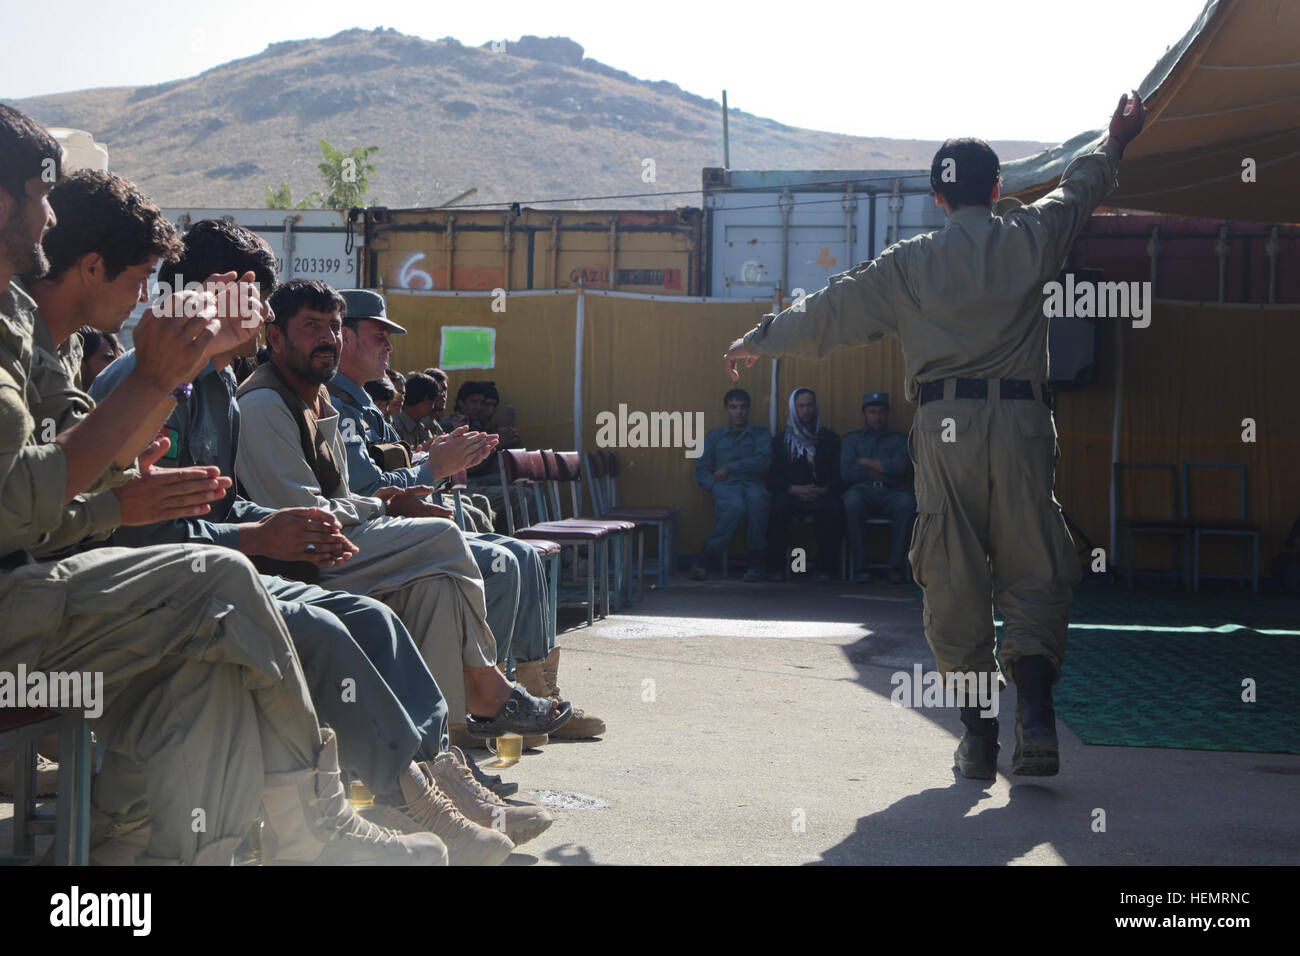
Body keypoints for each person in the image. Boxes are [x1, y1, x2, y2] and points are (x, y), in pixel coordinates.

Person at [0, 103, 443, 866]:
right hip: (18, 603)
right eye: (39, 196)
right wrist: (155, 379)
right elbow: (22, 503)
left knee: (205, 677)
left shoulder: (20, 320)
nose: (49, 218)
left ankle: (154, 857)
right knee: (220, 584)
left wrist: (173, 388)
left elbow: (67, 483)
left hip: (36, 592)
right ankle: (314, 816)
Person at [84, 211, 547, 858]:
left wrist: (262, 527)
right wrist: (260, 536)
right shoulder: (153, 386)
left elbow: (218, 507)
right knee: (336, 625)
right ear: (217, 293)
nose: (261, 322)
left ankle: (435, 783)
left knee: (374, 618)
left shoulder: (214, 383)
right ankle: (372, 808)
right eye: (261, 306)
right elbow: (138, 529)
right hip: (164, 588)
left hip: (224, 565)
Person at [725, 91, 1147, 779]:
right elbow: (1080, 187)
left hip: (944, 428)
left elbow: (829, 311)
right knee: (1033, 563)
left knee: (951, 568)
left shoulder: (907, 263)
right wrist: (1116, 138)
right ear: (999, 189)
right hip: (1021, 424)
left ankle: (979, 738)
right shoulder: (1031, 235)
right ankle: (1035, 720)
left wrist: (758, 341)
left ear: (937, 198)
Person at [233, 279, 574, 745]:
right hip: (301, 557)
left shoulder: (318, 398)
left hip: (345, 538)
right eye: (312, 326)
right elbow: (305, 515)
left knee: (439, 587)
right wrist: (400, 491)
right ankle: (488, 686)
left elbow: (351, 491)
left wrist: (398, 494)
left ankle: (442, 741)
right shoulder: (265, 403)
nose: (327, 338)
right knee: (443, 540)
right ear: (275, 337)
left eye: (332, 327)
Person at [326, 287, 604, 739]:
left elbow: (384, 479)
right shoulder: (337, 404)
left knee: (524, 554)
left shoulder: (360, 405)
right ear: (348, 338)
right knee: (500, 562)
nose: (389, 346)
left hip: (386, 527)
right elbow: (367, 489)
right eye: (379, 335)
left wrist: (431, 462)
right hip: (363, 536)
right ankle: (481, 702)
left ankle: (535, 691)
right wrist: (435, 465)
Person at [690, 388, 771, 582]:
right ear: (726, 410)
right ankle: (706, 559)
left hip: (753, 484)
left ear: (749, 409)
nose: (739, 412)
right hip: (726, 487)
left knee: (758, 501)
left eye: (743, 407)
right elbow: (701, 469)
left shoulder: (760, 434)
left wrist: (730, 467)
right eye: (734, 407)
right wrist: (714, 486)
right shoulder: (714, 437)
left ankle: (756, 562)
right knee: (735, 507)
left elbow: (764, 462)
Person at [765, 387, 843, 583]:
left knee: (833, 510)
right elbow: (772, 476)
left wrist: (823, 489)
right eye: (801, 406)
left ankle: (825, 569)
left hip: (821, 494)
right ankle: (775, 568)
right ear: (794, 409)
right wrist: (793, 489)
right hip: (791, 494)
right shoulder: (780, 441)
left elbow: (839, 473)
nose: (806, 410)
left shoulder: (829, 439)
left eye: (809, 405)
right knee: (776, 509)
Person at [841, 392, 916, 585]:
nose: (877, 416)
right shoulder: (852, 439)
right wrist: (884, 467)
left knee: (907, 504)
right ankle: (860, 568)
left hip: (893, 492)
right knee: (851, 502)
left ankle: (896, 569)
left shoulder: (900, 439)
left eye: (881, 412)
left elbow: (902, 468)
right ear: (863, 415)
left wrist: (865, 462)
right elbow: (847, 473)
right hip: (862, 491)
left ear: (888, 414)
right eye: (872, 412)